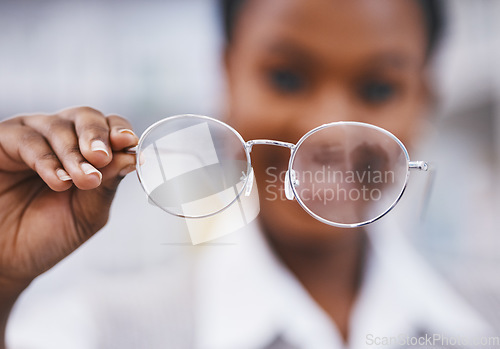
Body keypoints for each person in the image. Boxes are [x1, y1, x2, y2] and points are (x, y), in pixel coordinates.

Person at [0, 0, 493, 348]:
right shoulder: (94, 329)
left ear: (425, 100)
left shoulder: (483, 322)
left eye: (378, 88)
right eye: (286, 77)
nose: (325, 130)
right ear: (227, 74)